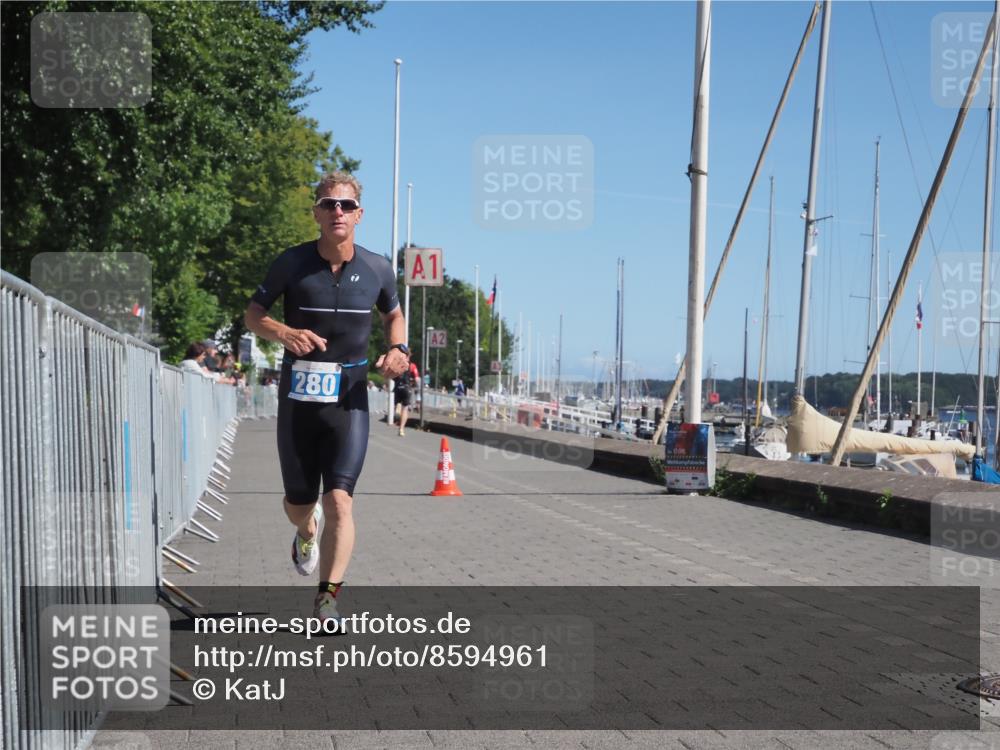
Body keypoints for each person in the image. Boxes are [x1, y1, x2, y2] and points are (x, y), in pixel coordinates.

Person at [244, 171, 409, 625]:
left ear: (359, 215)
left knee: (341, 499)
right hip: (299, 399)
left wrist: (399, 350)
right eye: (328, 204)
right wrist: (283, 331)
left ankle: (328, 598)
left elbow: (395, 317)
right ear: (316, 212)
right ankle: (306, 529)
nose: (338, 211)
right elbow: (253, 314)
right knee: (299, 502)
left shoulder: (377, 268)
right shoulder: (292, 263)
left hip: (349, 399)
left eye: (346, 205)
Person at [394, 360, 419, 436]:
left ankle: (397, 412)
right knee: (405, 409)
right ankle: (401, 429)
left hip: (397, 387)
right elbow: (417, 379)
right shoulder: (412, 365)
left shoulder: (396, 363)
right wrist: (414, 385)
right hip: (406, 388)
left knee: (397, 404)